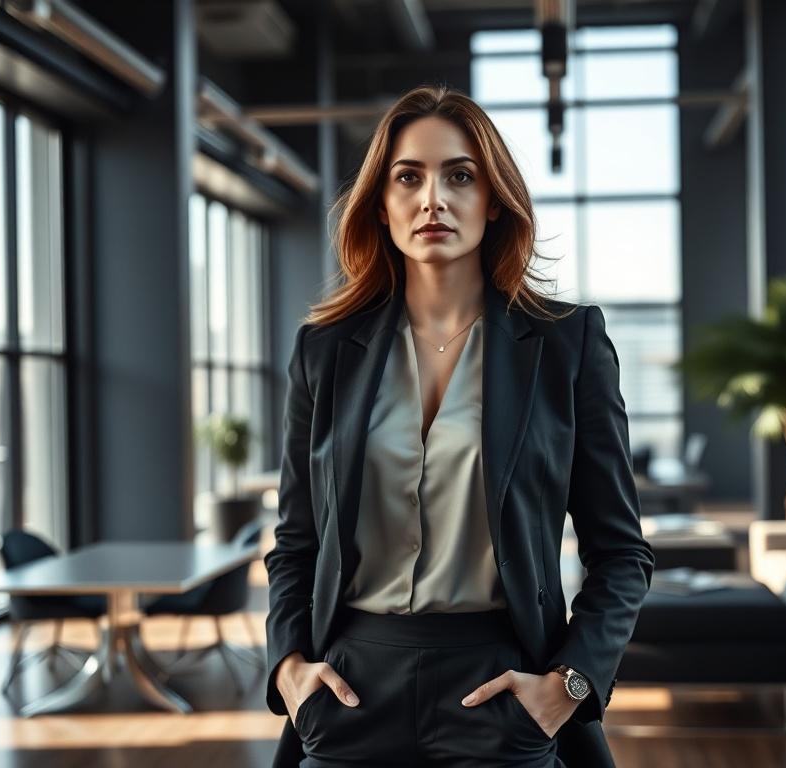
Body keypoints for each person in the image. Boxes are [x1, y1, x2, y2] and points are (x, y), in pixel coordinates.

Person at [264, 84, 654, 768]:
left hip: (500, 687)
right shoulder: (324, 353)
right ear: (382, 207)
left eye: (460, 176)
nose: (432, 199)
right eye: (408, 177)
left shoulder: (567, 346)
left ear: (493, 201)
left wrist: (567, 686)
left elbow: (621, 553)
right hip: (350, 688)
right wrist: (289, 668)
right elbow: (297, 542)